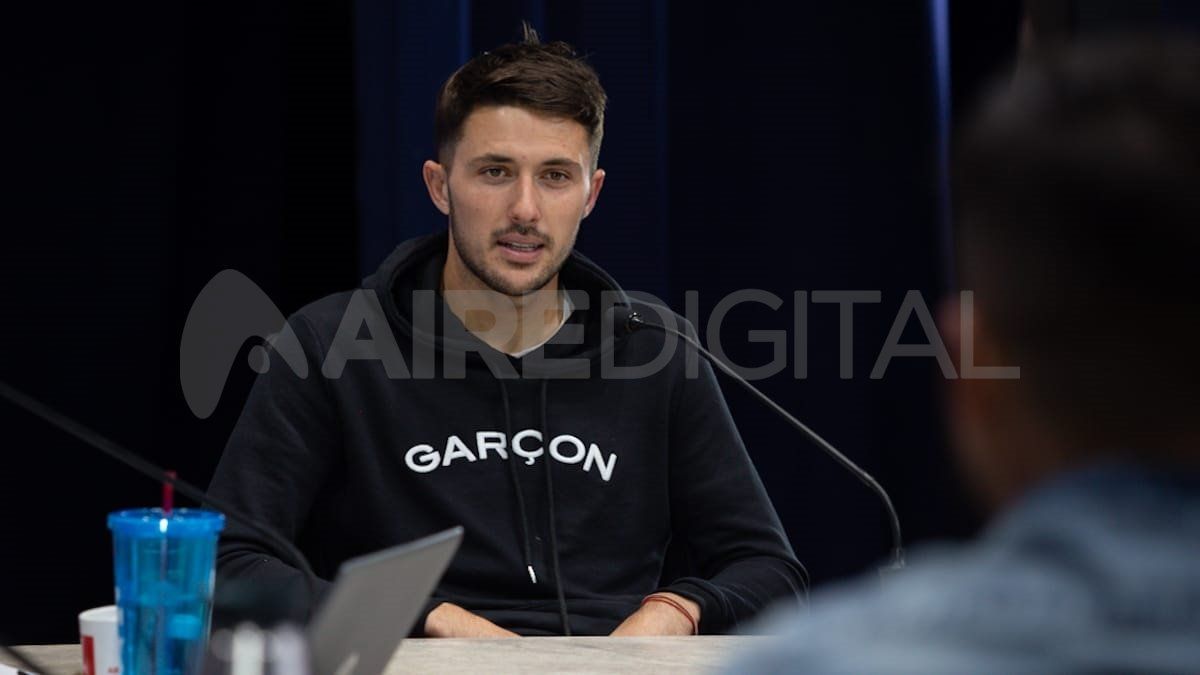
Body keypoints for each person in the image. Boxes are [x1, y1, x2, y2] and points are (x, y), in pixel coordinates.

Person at [207, 25, 806, 638]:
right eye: (495, 172)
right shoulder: (329, 343)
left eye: (555, 176)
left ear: (591, 194)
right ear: (440, 186)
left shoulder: (657, 349)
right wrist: (428, 618)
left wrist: (673, 611)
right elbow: (226, 564)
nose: (525, 208)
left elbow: (767, 570)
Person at [724, 36, 1200, 672]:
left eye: (559, 174)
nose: (536, 210)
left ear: (972, 375)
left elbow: (758, 561)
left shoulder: (824, 660)